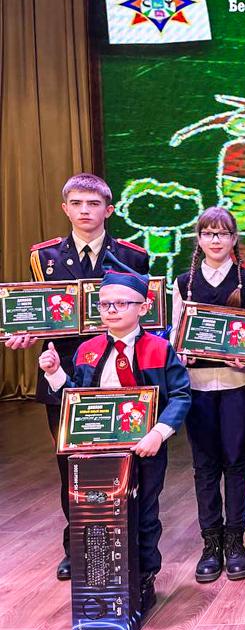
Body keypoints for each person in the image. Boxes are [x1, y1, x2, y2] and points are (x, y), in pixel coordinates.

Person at [4, 173, 149, 581]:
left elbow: (145, 314)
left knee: (125, 460)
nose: (85, 211)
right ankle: (78, 546)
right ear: (65, 208)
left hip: (119, 371)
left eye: (93, 204)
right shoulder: (44, 257)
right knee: (71, 463)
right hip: (63, 373)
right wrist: (26, 333)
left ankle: (128, 540)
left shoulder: (133, 256)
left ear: (109, 209)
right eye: (78, 203)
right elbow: (37, 313)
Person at [38, 265, 191, 612]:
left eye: (122, 303)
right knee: (100, 517)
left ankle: (144, 577)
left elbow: (181, 396)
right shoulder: (87, 350)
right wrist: (55, 373)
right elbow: (77, 399)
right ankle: (105, 580)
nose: (112, 310)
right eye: (105, 304)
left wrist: (159, 433)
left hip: (146, 449)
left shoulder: (160, 349)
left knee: (145, 513)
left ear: (143, 307)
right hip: (100, 455)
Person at [172, 207, 245, 584]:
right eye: (208, 233)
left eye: (223, 233)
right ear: (198, 239)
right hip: (196, 387)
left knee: (235, 462)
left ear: (233, 239)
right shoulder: (183, 283)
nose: (215, 240)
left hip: (236, 384)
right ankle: (210, 543)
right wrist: (181, 351)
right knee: (205, 465)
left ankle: (234, 541)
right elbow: (176, 334)